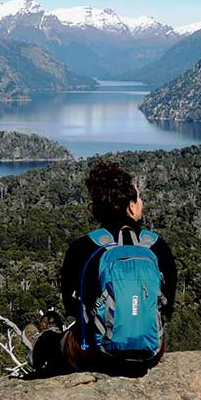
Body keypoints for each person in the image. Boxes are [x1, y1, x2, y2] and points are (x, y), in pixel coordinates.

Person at [28, 160, 177, 376]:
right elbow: (167, 306)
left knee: (56, 341)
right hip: (151, 352)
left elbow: (72, 308)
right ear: (131, 205)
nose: (142, 203)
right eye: (139, 197)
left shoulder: (83, 247)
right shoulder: (157, 246)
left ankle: (43, 344)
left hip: (95, 355)